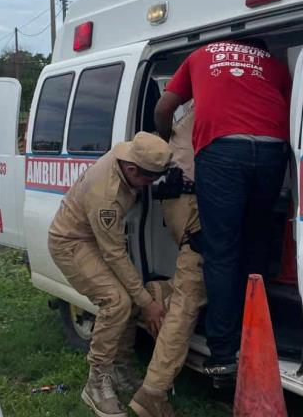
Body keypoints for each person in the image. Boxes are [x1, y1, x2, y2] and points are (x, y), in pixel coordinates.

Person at [154, 38, 290, 382]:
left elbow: (163, 108)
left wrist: (165, 140)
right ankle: (257, 332)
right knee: (255, 241)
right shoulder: (272, 63)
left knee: (221, 250)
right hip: (274, 148)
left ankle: (224, 355)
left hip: (222, 148)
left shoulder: (201, 55)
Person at [48, 131, 172, 417]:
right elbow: (113, 254)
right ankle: (96, 383)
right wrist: (148, 303)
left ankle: (120, 369)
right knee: (117, 301)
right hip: (71, 242)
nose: (150, 185)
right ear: (131, 169)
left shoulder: (129, 154)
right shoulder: (107, 195)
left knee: (130, 296)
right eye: (148, 179)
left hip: (92, 239)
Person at [130, 102, 206, 417]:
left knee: (197, 276)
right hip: (192, 198)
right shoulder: (230, 100)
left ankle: (158, 294)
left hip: (179, 197)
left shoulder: (191, 106)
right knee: (191, 292)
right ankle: (153, 392)